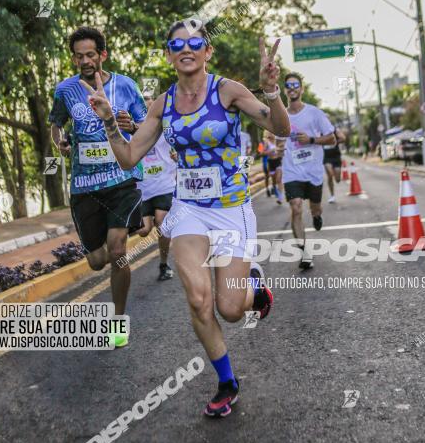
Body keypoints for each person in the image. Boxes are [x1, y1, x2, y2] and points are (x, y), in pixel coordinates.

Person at [82, 22, 290, 418]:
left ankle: (255, 289)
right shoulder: (162, 105)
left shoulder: (227, 90)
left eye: (195, 42)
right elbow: (128, 157)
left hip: (231, 209)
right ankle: (226, 381)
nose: (186, 48)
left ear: (207, 52)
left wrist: (271, 91)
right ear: (169, 54)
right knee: (198, 300)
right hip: (190, 209)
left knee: (230, 308)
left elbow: (280, 127)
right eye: (177, 43)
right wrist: (109, 120)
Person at [49, 26, 147, 346]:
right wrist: (60, 143)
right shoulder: (65, 90)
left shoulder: (126, 86)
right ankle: (106, 241)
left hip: (121, 179)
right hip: (84, 185)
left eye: (91, 54)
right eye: (79, 56)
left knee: (118, 250)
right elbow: (55, 125)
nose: (85, 60)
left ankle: (118, 320)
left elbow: (146, 125)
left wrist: (131, 125)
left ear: (102, 55)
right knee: (96, 261)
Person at [281, 73, 336, 269]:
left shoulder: (314, 113)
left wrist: (312, 140)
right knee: (295, 207)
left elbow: (332, 139)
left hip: (313, 172)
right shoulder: (281, 114)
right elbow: (272, 133)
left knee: (315, 207)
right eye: (288, 85)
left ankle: (316, 215)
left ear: (301, 89)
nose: (292, 88)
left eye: (296, 85)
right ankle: (304, 254)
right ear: (285, 89)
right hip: (291, 171)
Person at [136, 94, 177, 282]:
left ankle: (163, 263)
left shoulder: (165, 127)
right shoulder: (133, 130)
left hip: (164, 184)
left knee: (162, 221)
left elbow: (179, 144)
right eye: (144, 109)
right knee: (144, 230)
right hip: (142, 188)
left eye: (151, 107)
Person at [323, 126, 346, 203]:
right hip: (326, 157)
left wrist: (334, 141)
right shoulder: (318, 130)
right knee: (329, 175)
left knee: (337, 179)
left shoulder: (334, 129)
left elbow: (343, 138)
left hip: (335, 156)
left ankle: (336, 176)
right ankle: (332, 195)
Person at [265, 131, 285, 205]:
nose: (271, 134)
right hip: (271, 162)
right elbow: (263, 153)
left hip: (278, 161)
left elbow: (283, 150)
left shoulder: (278, 141)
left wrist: (279, 150)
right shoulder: (266, 142)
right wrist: (271, 150)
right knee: (274, 180)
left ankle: (280, 198)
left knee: (279, 179)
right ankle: (274, 188)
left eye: (272, 133)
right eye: (269, 133)